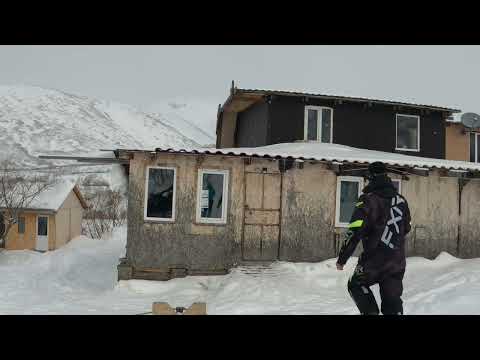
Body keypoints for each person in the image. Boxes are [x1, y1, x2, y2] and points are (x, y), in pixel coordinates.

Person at [336, 161, 411, 315]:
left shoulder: (367, 200)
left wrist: (342, 258)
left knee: (355, 284)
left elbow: (354, 231)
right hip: (396, 263)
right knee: (392, 300)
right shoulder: (402, 201)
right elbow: (407, 227)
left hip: (374, 261)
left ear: (369, 177)